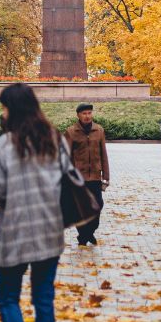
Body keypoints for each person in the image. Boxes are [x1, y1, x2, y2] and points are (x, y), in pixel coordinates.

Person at [0, 83, 68, 322]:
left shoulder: (4, 145)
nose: (3, 113)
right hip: (49, 227)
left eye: (4, 108)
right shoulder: (55, 140)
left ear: (13, 109)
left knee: (8, 297)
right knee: (43, 297)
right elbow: (68, 180)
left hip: (15, 229)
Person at [65, 103, 110, 246]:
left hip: (95, 177)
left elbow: (104, 154)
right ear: (78, 115)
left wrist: (106, 176)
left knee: (98, 205)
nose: (87, 116)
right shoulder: (71, 132)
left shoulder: (99, 130)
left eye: (89, 113)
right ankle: (83, 235)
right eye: (84, 113)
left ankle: (88, 232)